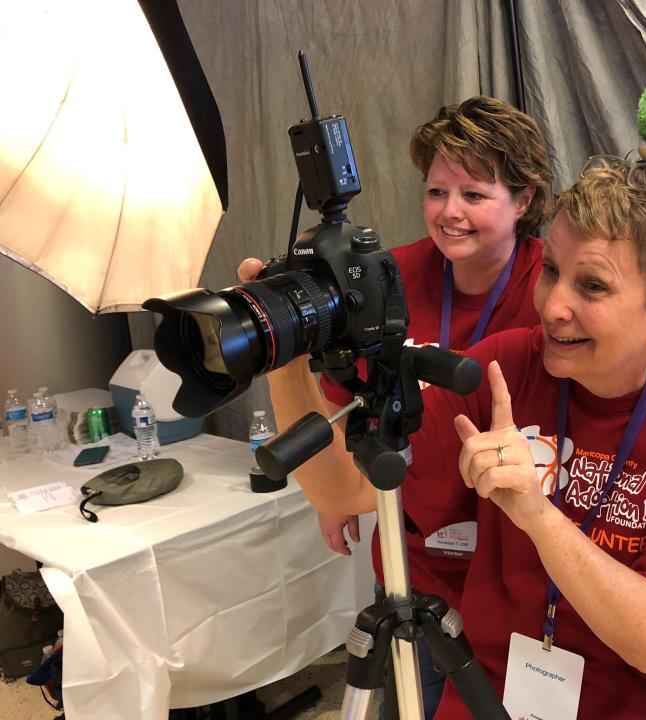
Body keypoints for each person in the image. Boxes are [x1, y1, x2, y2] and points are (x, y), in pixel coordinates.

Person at [270, 157, 646, 718]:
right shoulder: (507, 366)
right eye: (552, 270)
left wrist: (537, 515)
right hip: (493, 692)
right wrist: (282, 353)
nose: (555, 306)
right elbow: (342, 493)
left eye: (594, 286)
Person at [239, 95, 552, 719]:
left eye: (474, 194)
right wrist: (332, 492)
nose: (449, 213)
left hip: (513, 557)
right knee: (409, 696)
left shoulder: (551, 289)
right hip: (411, 547)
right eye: (437, 192)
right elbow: (341, 397)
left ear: (523, 200)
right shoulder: (389, 274)